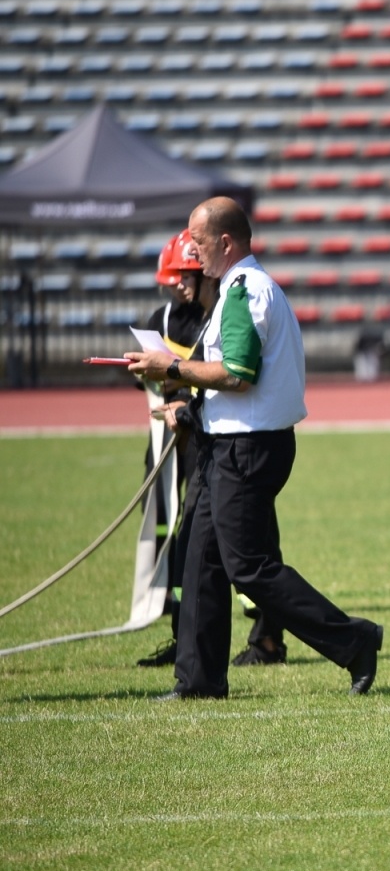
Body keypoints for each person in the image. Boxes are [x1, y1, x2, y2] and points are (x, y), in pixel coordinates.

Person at [125, 196, 383, 699]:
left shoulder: (244, 290)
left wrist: (169, 368)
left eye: (198, 242)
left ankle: (354, 641)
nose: (192, 252)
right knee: (201, 560)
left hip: (246, 449)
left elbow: (237, 375)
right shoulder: (239, 289)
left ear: (225, 242)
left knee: (248, 567)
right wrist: (189, 410)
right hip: (228, 443)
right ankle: (198, 681)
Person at [133, 230, 209, 669]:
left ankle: (264, 635)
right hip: (166, 435)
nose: (179, 284)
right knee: (165, 520)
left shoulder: (215, 316)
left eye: (187, 275)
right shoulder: (160, 317)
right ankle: (176, 622)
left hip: (202, 435)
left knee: (204, 530)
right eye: (174, 276)